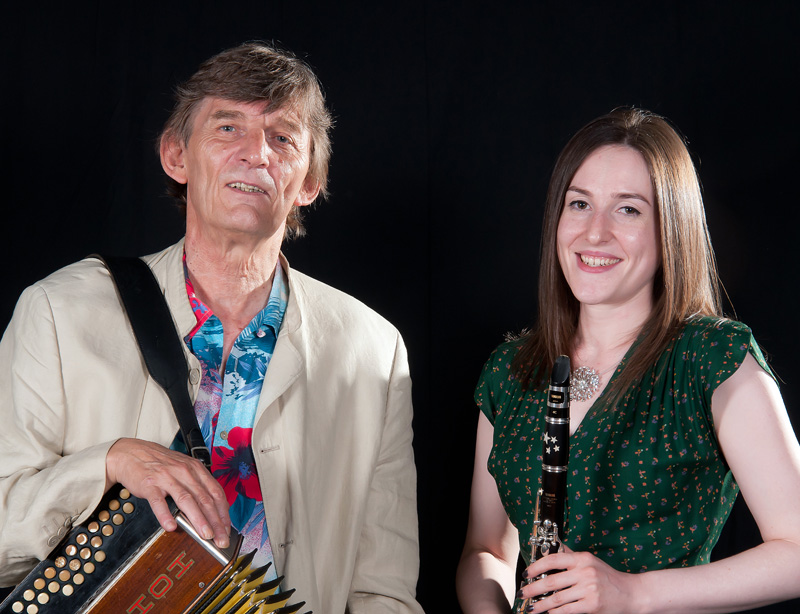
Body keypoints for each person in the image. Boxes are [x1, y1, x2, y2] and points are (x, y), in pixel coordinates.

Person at [0, 42, 423, 614]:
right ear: (176, 156)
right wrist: (111, 462)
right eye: (228, 128)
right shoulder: (59, 312)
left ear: (308, 183)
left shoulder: (373, 351)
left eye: (283, 138)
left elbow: (384, 592)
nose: (256, 154)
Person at [456, 108, 800, 613]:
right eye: (579, 204)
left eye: (628, 210)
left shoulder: (711, 359)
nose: (595, 233)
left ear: (671, 228)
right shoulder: (511, 372)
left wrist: (633, 593)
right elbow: (486, 550)